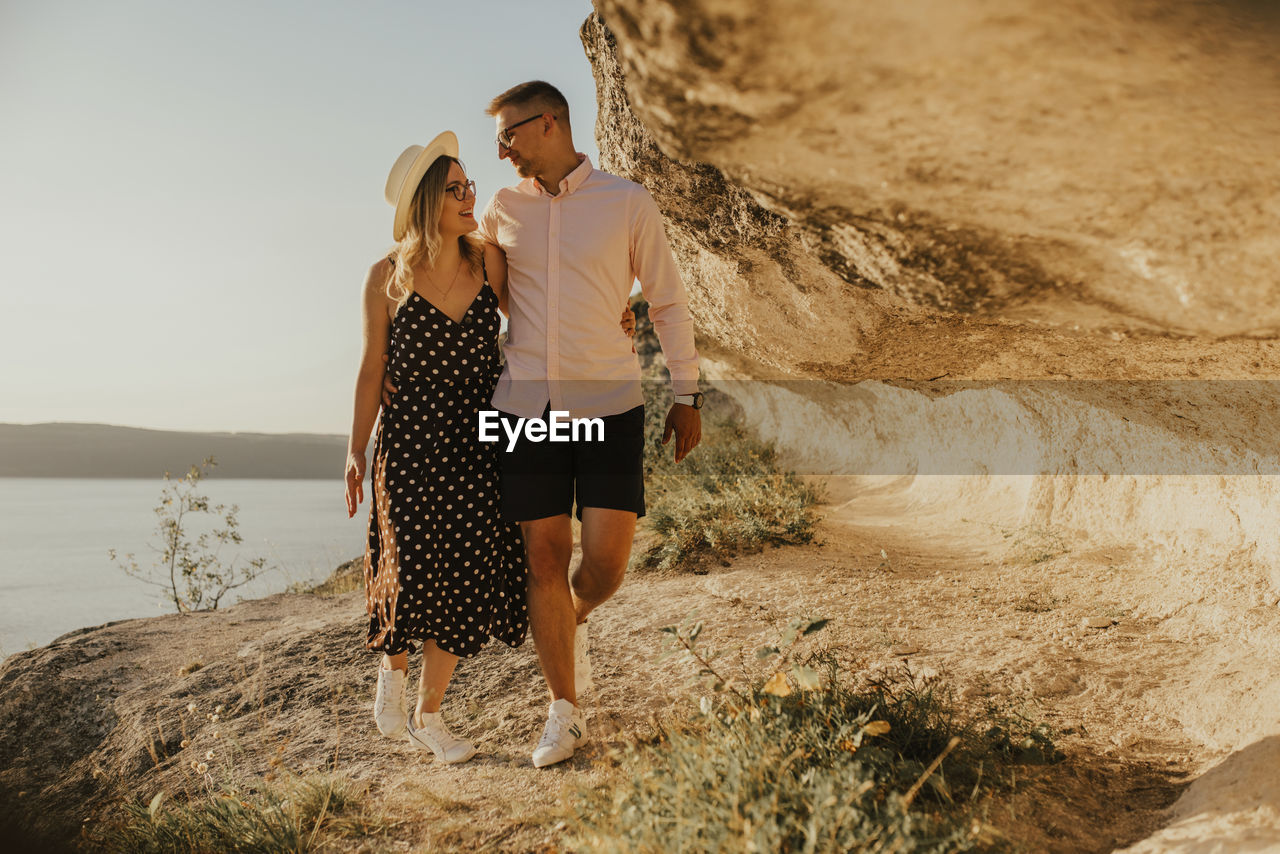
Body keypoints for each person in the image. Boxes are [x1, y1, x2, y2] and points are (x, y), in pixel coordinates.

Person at [344, 130, 637, 765]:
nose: (470, 194)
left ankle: (428, 714)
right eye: (456, 189)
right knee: (412, 567)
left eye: (469, 184)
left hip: (482, 438)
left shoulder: (487, 260)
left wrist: (617, 311)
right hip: (412, 443)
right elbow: (372, 369)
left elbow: (545, 305)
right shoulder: (385, 278)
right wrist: (355, 450)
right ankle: (393, 672)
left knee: (463, 577)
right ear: (428, 203)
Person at [482, 80, 702, 768]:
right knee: (543, 559)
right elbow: (454, 279)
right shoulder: (501, 209)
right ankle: (564, 711)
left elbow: (664, 301)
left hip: (610, 405)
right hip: (523, 408)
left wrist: (687, 394)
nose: (502, 149)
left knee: (604, 567)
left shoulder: (626, 202)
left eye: (510, 133)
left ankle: (567, 626)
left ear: (549, 123)